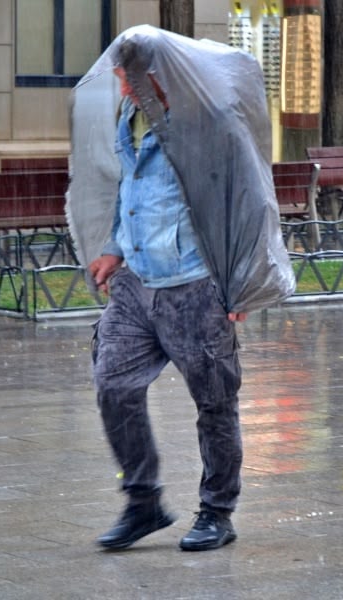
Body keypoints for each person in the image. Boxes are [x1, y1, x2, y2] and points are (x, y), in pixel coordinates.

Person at [78, 27, 290, 553]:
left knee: (215, 403)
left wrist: (241, 285)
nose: (123, 91)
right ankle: (143, 501)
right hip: (136, 285)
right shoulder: (130, 116)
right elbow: (130, 188)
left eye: (131, 81)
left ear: (158, 76)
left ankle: (218, 512)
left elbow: (249, 204)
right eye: (121, 80)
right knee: (113, 385)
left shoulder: (210, 126)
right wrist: (113, 248)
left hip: (195, 284)